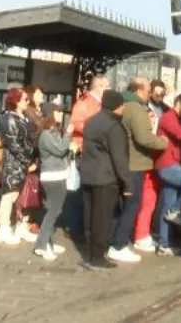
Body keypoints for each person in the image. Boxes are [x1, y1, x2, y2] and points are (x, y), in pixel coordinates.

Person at [109, 76, 168, 263]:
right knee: (132, 205)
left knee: (121, 206)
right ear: (140, 90)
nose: (150, 92)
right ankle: (118, 245)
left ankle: (115, 241)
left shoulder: (123, 104)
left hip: (122, 161)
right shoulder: (136, 108)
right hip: (135, 163)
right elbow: (143, 137)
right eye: (148, 88)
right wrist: (162, 143)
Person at [79, 90, 130, 270]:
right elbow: (119, 158)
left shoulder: (92, 121)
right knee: (102, 219)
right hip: (106, 178)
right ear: (116, 106)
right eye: (122, 105)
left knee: (90, 216)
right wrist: (127, 183)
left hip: (88, 175)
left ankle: (92, 253)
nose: (123, 108)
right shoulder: (113, 126)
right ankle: (98, 258)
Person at [65, 74, 109, 240]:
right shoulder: (84, 103)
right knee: (79, 192)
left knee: (86, 191)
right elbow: (75, 123)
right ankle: (74, 227)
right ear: (99, 87)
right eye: (107, 86)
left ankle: (82, 227)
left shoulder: (98, 103)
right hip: (83, 150)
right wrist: (96, 130)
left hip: (92, 151)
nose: (109, 89)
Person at [153, 93, 181, 255]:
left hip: (170, 165)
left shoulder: (175, 117)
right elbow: (180, 134)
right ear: (179, 103)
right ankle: (177, 210)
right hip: (168, 165)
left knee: (167, 207)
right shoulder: (168, 117)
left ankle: (164, 245)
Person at [34, 103, 75, 261]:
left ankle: (47, 241)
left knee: (53, 210)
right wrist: (68, 135)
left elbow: (61, 152)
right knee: (53, 211)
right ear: (51, 114)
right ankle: (42, 245)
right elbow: (59, 150)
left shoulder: (53, 131)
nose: (61, 114)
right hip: (52, 176)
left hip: (58, 174)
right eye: (58, 111)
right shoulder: (46, 134)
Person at [0, 87, 36, 245]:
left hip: (23, 162)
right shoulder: (8, 119)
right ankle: (4, 229)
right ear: (16, 101)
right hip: (14, 163)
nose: (28, 102)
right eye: (25, 99)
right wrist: (27, 162)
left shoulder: (22, 117)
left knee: (20, 196)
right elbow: (14, 144)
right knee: (10, 196)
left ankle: (19, 225)